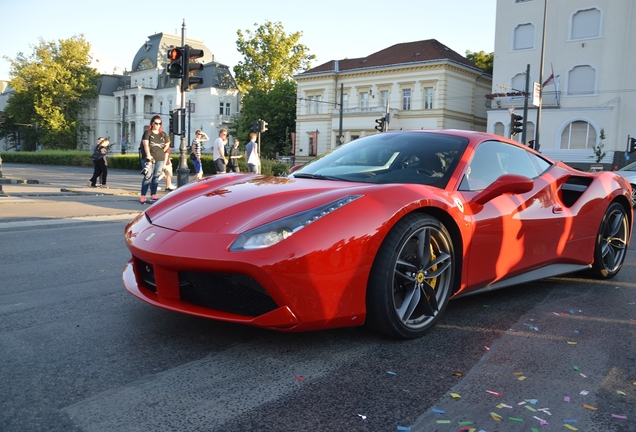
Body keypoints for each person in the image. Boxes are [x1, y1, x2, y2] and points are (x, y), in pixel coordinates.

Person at [139, 115, 170, 204]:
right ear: (152, 123)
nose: (157, 125)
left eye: (159, 123)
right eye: (156, 123)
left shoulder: (163, 134)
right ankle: (143, 196)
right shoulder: (148, 133)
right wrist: (148, 155)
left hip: (160, 158)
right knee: (148, 177)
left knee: (156, 177)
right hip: (149, 159)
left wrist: (162, 152)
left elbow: (167, 144)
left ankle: (153, 195)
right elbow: (145, 144)